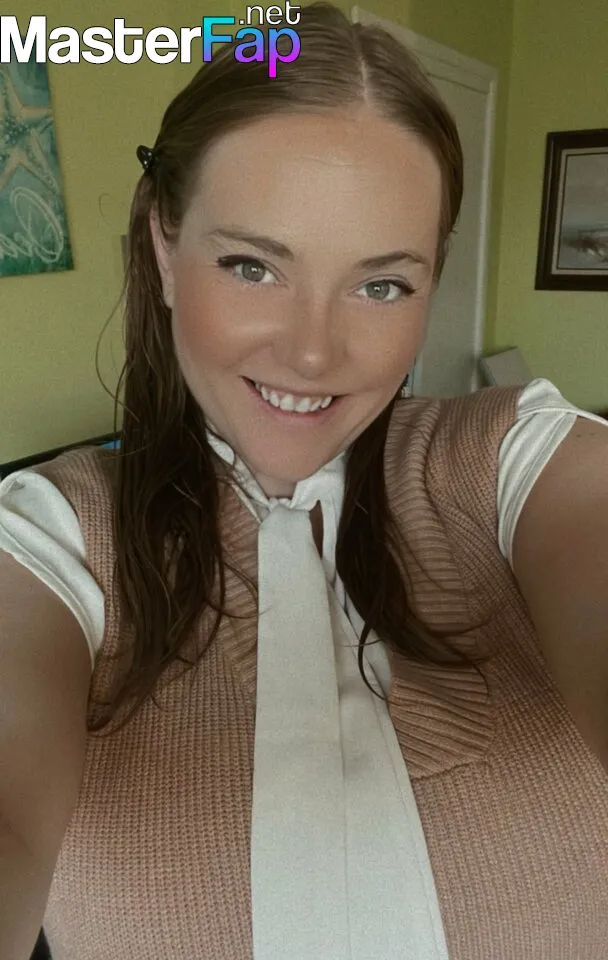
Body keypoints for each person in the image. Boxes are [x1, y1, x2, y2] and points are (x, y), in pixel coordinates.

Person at [0, 4, 607, 959]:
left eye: (381, 284)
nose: (314, 352)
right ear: (164, 249)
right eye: (252, 266)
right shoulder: (53, 536)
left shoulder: (515, 462)